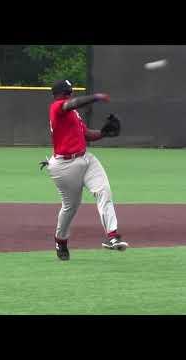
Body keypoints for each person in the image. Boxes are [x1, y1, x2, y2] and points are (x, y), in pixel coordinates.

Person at [41, 79, 128, 261]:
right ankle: (60, 240)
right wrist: (95, 97)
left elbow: (86, 134)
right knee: (70, 207)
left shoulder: (72, 114)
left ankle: (112, 235)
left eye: (70, 92)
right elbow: (72, 103)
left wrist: (104, 133)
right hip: (63, 167)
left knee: (103, 191)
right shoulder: (57, 107)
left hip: (86, 159)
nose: (70, 95)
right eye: (68, 92)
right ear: (61, 95)